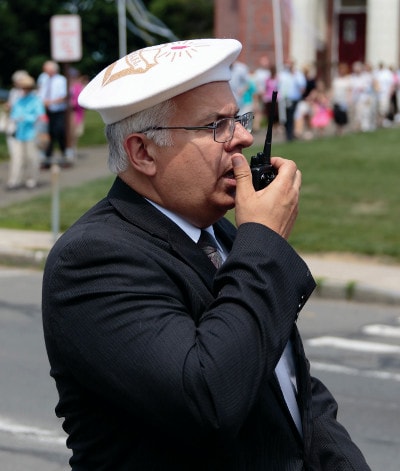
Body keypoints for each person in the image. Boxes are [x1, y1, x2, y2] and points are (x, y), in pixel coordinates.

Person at [42, 38, 371, 470]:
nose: (245, 138)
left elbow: (293, 390)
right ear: (142, 152)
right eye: (216, 126)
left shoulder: (221, 234)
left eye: (239, 119)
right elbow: (211, 398)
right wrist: (264, 239)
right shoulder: (93, 259)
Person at [6, 74, 45, 190]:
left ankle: (32, 179)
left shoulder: (36, 100)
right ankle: (14, 180)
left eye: (26, 87)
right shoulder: (19, 100)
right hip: (19, 133)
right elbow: (14, 114)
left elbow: (39, 115)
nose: (23, 89)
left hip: (31, 133)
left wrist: (26, 118)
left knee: (31, 157)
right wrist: (17, 118)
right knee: (16, 157)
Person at [37, 60, 69, 166]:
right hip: (46, 111)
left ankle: (65, 155)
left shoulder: (61, 80)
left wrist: (50, 102)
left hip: (58, 110)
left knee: (59, 132)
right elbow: (40, 92)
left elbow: (63, 96)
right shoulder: (43, 79)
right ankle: (47, 157)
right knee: (47, 134)